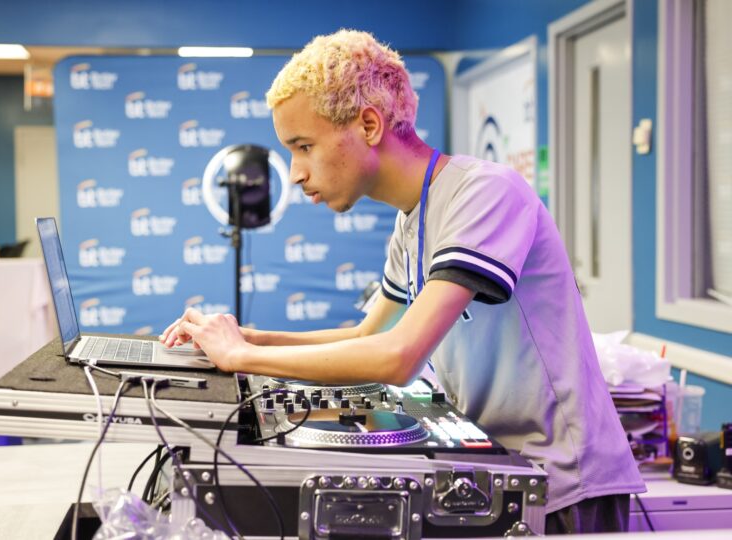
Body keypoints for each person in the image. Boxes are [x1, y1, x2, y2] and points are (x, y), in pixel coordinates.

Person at [160, 29, 644, 533]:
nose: (296, 172)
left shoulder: (487, 193)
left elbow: (397, 357)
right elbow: (367, 336)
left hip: (562, 484)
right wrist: (249, 337)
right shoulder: (412, 219)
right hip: (501, 467)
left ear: (369, 124)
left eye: (304, 146)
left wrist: (241, 358)